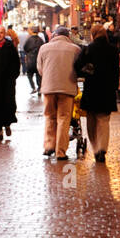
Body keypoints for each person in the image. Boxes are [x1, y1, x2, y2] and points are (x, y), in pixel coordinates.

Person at [75, 23, 120, 163]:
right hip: (107, 90)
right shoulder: (113, 50)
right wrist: (115, 87)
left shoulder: (88, 49)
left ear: (93, 35)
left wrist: (89, 72)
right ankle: (102, 149)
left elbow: (77, 67)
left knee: (91, 121)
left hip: (92, 89)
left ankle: (95, 148)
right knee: (104, 121)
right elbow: (116, 72)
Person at [37, 24, 81, 160]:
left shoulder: (44, 48)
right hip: (67, 88)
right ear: (68, 37)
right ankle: (60, 151)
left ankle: (49, 146)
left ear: (55, 35)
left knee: (50, 116)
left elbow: (39, 68)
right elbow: (79, 68)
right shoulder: (75, 49)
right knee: (64, 119)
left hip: (49, 88)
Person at [23, 25, 44, 93]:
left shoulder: (29, 39)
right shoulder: (40, 40)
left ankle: (33, 87)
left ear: (32, 31)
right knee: (38, 75)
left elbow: (25, 48)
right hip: (38, 60)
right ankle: (39, 88)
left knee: (29, 74)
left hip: (30, 60)